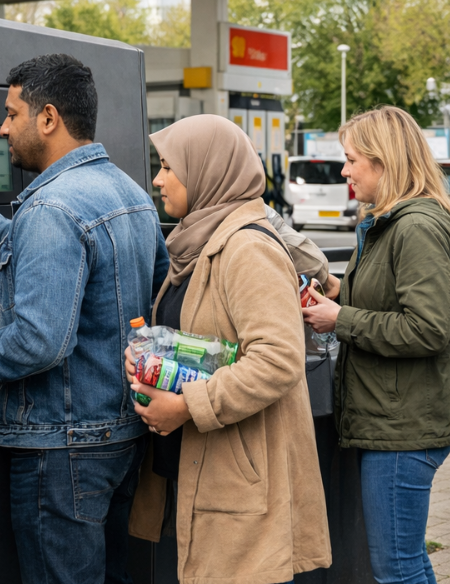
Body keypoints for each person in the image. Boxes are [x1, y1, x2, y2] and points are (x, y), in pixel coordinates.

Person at [0, 54, 167, 584]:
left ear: (48, 118)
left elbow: (41, 341)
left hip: (61, 451)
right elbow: (59, 262)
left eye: (10, 114)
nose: (2, 129)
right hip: (121, 436)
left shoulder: (51, 208)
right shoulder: (130, 194)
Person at [126, 114, 331, 584]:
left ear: (207, 170)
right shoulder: (197, 244)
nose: (157, 180)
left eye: (168, 167)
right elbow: (204, 341)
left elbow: (277, 360)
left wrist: (186, 406)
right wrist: (150, 359)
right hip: (197, 468)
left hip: (237, 475)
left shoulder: (246, 249)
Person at [301, 106, 450, 584]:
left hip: (406, 425)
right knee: (407, 559)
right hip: (398, 416)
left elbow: (428, 328)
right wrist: (339, 291)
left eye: (351, 160)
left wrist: (340, 319)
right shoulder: (388, 222)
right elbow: (392, 297)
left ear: (384, 161)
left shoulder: (415, 228)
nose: (344, 171)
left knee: (397, 569)